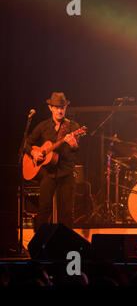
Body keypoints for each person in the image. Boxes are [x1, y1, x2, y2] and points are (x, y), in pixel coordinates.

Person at [25, 92, 80, 230]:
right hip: (47, 174)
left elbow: (77, 150)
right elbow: (26, 143)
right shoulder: (43, 126)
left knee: (66, 214)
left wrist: (74, 144)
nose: (60, 110)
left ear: (66, 108)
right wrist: (33, 152)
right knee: (43, 211)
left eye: (62, 107)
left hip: (66, 173)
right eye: (56, 107)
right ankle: (39, 246)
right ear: (50, 108)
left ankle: (66, 247)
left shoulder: (73, 127)